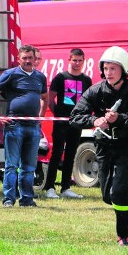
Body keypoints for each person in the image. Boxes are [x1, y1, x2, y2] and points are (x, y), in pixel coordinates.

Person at [70, 46, 128, 246]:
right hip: (103, 146)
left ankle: (123, 237)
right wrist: (94, 121)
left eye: (113, 68)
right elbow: (74, 117)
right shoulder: (95, 90)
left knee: (117, 193)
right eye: (106, 68)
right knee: (108, 196)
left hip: (127, 146)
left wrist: (120, 119)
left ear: (124, 69)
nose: (109, 73)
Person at [0, 45, 48, 207]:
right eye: (25, 58)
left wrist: (41, 117)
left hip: (33, 127)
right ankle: (9, 199)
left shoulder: (40, 77)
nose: (28, 61)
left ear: (34, 59)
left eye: (30, 58)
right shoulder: (11, 74)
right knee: (11, 165)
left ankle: (27, 199)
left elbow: (44, 97)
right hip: (15, 125)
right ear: (19, 59)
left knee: (29, 167)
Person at [44, 48, 92, 199]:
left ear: (83, 62)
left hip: (76, 123)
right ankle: (50, 187)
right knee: (57, 153)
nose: (77, 63)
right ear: (69, 60)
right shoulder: (60, 77)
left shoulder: (86, 80)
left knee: (71, 154)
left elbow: (88, 100)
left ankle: (66, 187)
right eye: (74, 60)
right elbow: (50, 99)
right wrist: (57, 114)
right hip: (61, 121)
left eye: (80, 61)